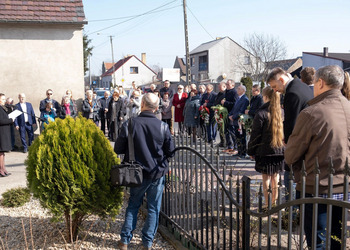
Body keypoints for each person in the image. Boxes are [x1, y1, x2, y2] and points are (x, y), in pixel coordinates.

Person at [285, 65, 350, 249]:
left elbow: (291, 154)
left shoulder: (311, 113)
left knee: (318, 241)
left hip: (317, 187)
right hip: (345, 186)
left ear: (320, 82)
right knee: (338, 238)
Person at [114, 93, 175, 250]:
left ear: (142, 104)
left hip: (136, 173)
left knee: (133, 205)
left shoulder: (130, 124)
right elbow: (171, 152)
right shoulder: (163, 127)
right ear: (156, 108)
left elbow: (118, 148)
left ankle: (125, 241)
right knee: (153, 208)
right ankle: (147, 243)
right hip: (156, 173)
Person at [267, 67, 313, 202]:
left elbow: (291, 122)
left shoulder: (292, 93)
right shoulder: (301, 85)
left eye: (275, 86)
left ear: (282, 79)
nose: (275, 90)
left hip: (299, 142)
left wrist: (286, 141)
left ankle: (290, 214)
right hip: (307, 139)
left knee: (290, 177)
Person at [248, 86, 284, 207]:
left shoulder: (262, 113)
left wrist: (251, 150)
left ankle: (267, 203)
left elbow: (255, 135)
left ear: (266, 97)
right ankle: (274, 202)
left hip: (265, 151)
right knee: (276, 177)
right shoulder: (281, 111)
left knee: (266, 178)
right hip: (279, 150)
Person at [228, 85, 249, 158]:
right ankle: (239, 151)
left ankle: (243, 153)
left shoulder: (245, 99)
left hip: (240, 121)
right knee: (237, 137)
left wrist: (233, 117)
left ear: (243, 90)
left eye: (239, 89)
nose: (237, 89)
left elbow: (242, 110)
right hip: (235, 121)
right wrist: (230, 115)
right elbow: (234, 108)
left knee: (242, 137)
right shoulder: (238, 98)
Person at [221, 79, 238, 151]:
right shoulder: (226, 92)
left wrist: (225, 103)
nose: (226, 86)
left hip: (231, 114)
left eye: (228, 84)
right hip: (226, 114)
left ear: (233, 85)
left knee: (232, 131)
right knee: (226, 131)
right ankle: (229, 146)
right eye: (226, 84)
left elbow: (234, 104)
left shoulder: (234, 92)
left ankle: (235, 146)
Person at [0, 93, 14, 177]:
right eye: (3, 99)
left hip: (4, 132)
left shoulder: (2, 107)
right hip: (1, 133)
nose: (5, 101)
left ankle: (3, 168)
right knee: (1, 152)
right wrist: (10, 120)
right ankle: (1, 170)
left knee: (2, 152)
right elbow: (0, 121)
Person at [213, 82, 227, 147]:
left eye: (220, 86)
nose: (218, 87)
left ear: (224, 87)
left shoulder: (225, 94)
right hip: (218, 112)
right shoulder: (219, 94)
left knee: (223, 128)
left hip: (222, 113)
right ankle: (222, 141)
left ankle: (224, 142)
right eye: (218, 86)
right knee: (219, 128)